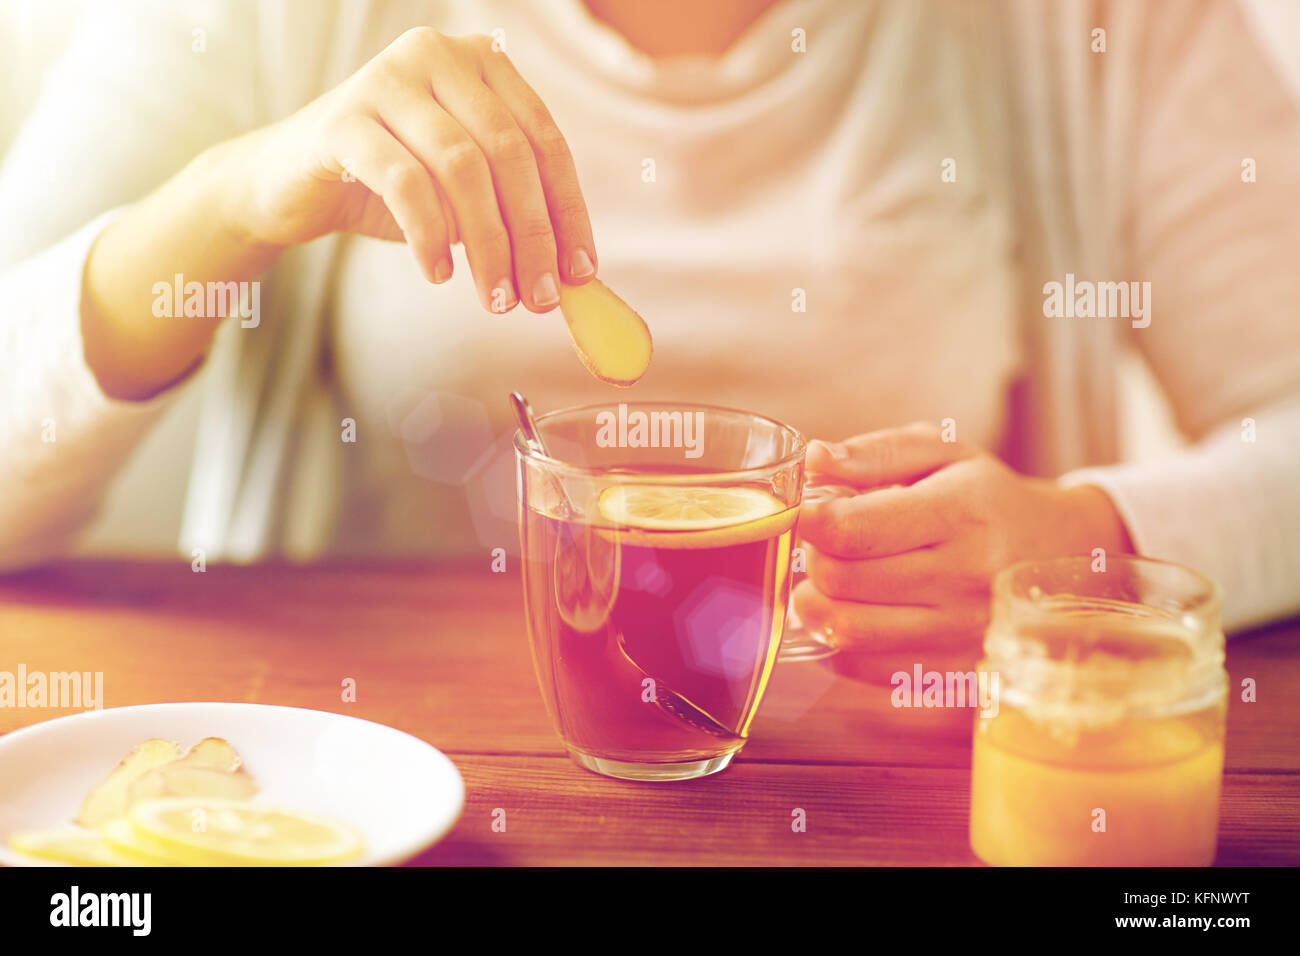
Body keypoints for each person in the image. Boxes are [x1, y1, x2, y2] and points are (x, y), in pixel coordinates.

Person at [2, 0, 1298, 682]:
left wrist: (1093, 543)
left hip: (897, 800)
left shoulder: (1103, 22)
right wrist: (228, 201)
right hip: (375, 803)